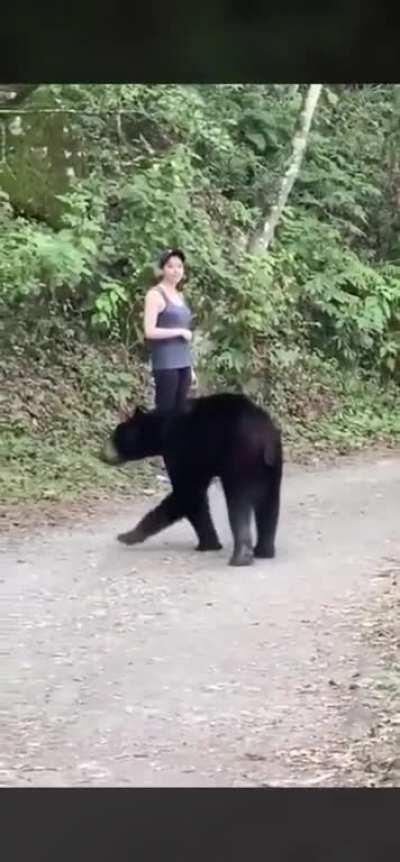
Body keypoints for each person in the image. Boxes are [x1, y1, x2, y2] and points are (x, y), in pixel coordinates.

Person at [144, 247, 197, 411]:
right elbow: (149, 331)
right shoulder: (155, 294)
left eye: (179, 266)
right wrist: (178, 332)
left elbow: (185, 337)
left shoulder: (179, 296)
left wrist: (191, 367)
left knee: (181, 413)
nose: (176, 271)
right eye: (170, 266)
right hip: (166, 364)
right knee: (165, 412)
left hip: (184, 364)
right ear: (163, 269)